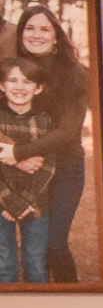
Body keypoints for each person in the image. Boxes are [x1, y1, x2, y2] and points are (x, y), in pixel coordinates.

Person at [0, 6, 93, 282]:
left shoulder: (75, 73)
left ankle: (73, 301)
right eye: (29, 27)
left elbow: (68, 131)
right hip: (15, 169)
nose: (36, 34)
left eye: (44, 29)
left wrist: (20, 152)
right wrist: (12, 155)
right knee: (29, 249)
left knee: (54, 244)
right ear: (20, 33)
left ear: (56, 35)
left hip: (64, 167)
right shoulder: (12, 70)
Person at [0, 56, 56, 284]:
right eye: (12, 81)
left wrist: (25, 202)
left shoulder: (46, 122)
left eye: (27, 81)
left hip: (36, 203)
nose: (19, 87)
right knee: (5, 265)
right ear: (2, 85)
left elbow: (48, 167)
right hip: (2, 204)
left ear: (38, 88)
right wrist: (10, 202)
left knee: (36, 264)